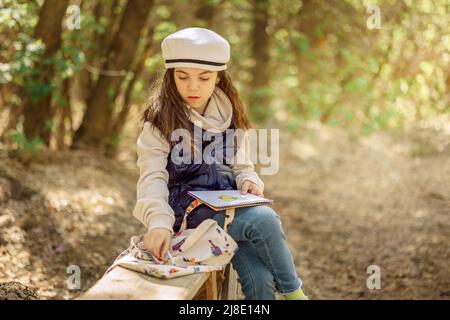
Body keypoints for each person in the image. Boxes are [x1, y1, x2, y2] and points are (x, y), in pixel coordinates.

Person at [133, 27, 308, 300]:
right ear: (170, 77)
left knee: (260, 279)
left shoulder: (230, 112)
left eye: (204, 78)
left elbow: (242, 167)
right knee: (264, 220)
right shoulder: (159, 121)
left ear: (218, 77)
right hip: (189, 218)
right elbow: (151, 177)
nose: (193, 87)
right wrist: (158, 223)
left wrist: (249, 181)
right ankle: (296, 295)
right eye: (183, 77)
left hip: (230, 212)